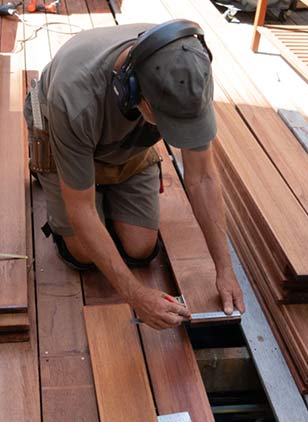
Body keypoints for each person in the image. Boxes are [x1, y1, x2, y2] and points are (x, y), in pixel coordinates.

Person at [24, 19, 244, 330]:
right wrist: (137, 295)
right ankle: (60, 174)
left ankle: (107, 180)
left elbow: (203, 177)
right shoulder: (74, 99)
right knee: (84, 255)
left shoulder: (187, 72)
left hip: (123, 143)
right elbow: (81, 209)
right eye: (168, 124)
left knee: (140, 248)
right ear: (132, 93)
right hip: (63, 131)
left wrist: (225, 268)